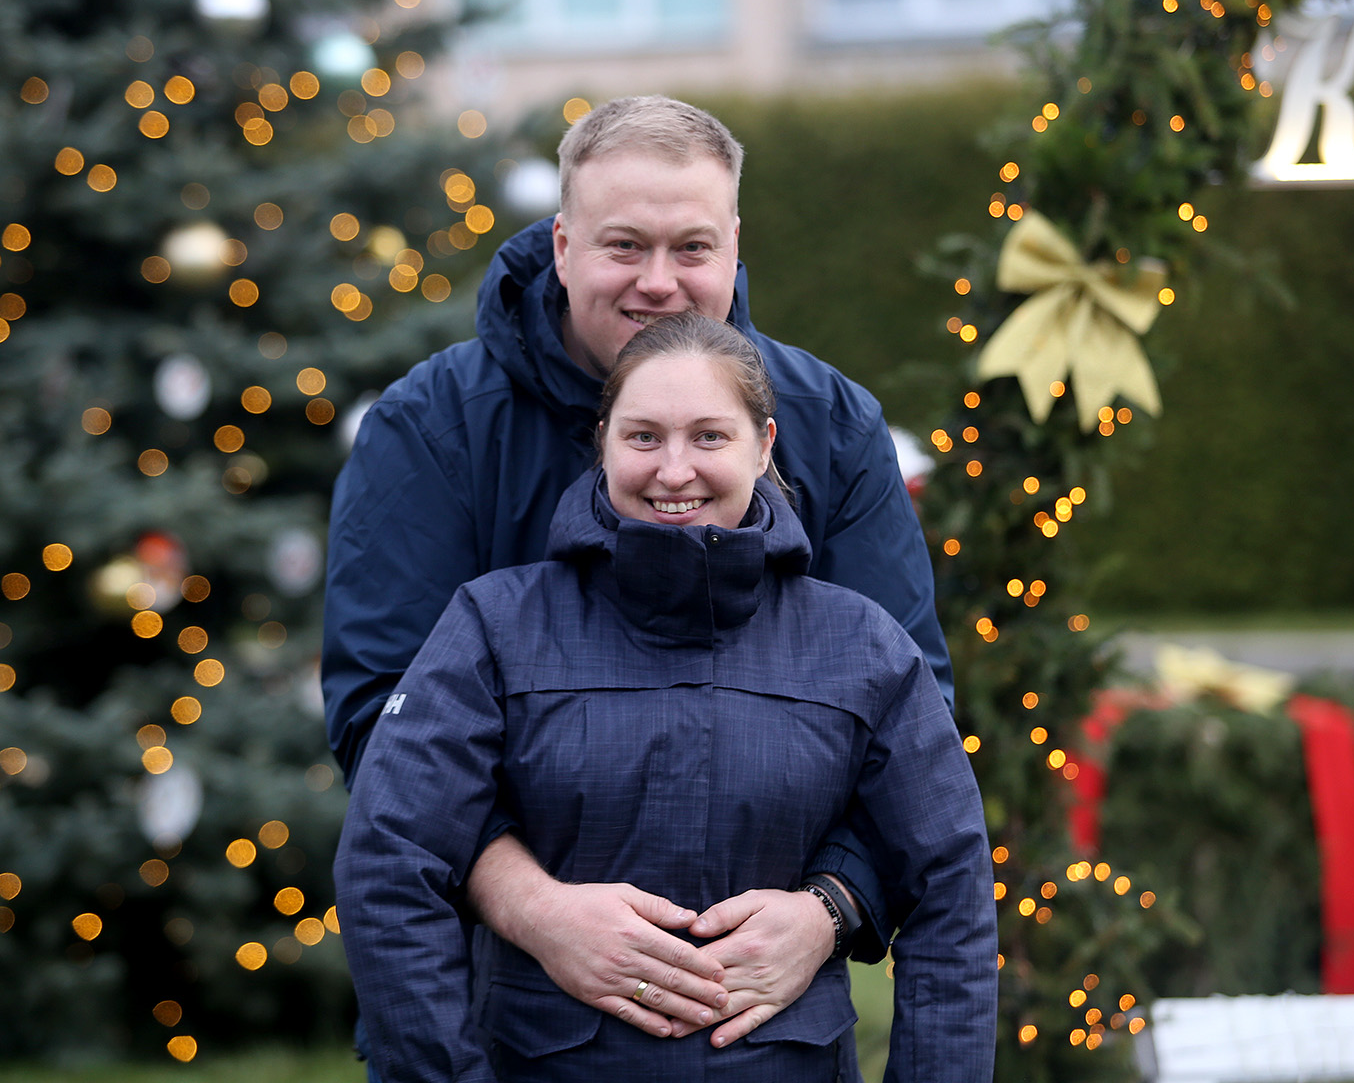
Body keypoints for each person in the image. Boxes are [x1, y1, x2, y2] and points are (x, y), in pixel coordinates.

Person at [323, 96, 953, 1043]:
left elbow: (912, 718)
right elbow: (383, 718)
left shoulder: (832, 427)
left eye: (692, 248)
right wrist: (535, 909)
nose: (659, 283)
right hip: (508, 1012)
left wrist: (828, 907)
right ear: (564, 245)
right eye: (624, 246)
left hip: (767, 1035)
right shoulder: (432, 429)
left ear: (736, 246)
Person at [338, 314, 995, 1082]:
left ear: (764, 445)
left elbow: (951, 883)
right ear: (603, 442)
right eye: (643, 436)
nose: (673, 470)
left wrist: (832, 909)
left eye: (709, 437)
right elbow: (388, 859)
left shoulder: (863, 646)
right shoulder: (495, 626)